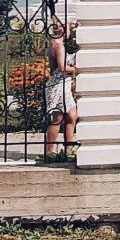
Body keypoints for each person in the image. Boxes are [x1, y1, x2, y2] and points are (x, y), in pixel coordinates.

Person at [43, 18, 78, 160]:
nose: (71, 32)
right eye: (69, 29)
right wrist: (77, 70)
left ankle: (69, 149)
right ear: (64, 31)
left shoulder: (58, 44)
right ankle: (50, 152)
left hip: (65, 85)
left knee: (72, 116)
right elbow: (63, 67)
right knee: (57, 118)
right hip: (57, 86)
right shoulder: (59, 46)